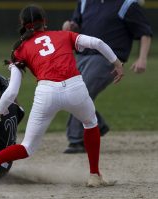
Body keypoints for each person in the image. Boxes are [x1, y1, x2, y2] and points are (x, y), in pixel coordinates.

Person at [0, 4, 124, 191]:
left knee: (28, 147)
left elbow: (12, 91)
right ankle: (94, 175)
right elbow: (97, 43)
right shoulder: (63, 35)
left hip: (46, 93)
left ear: (22, 24)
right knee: (90, 123)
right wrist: (117, 63)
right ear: (44, 22)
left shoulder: (19, 49)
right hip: (75, 87)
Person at [61, 0, 152, 153]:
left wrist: (142, 58)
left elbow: (144, 32)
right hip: (82, 55)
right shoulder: (84, 2)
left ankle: (76, 140)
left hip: (108, 58)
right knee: (66, 91)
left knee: (81, 92)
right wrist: (69, 27)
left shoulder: (126, 4)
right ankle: (98, 125)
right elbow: (75, 25)